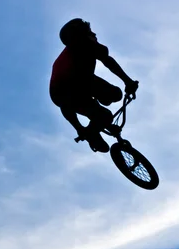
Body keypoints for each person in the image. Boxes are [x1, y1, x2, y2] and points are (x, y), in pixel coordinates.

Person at [49, 18, 139, 153]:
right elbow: (108, 62)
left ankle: (94, 129)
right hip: (78, 88)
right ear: (83, 35)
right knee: (114, 96)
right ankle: (94, 128)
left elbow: (64, 106)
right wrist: (128, 82)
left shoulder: (67, 58)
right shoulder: (86, 45)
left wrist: (79, 128)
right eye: (91, 33)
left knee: (104, 112)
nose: (95, 35)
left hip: (72, 93)